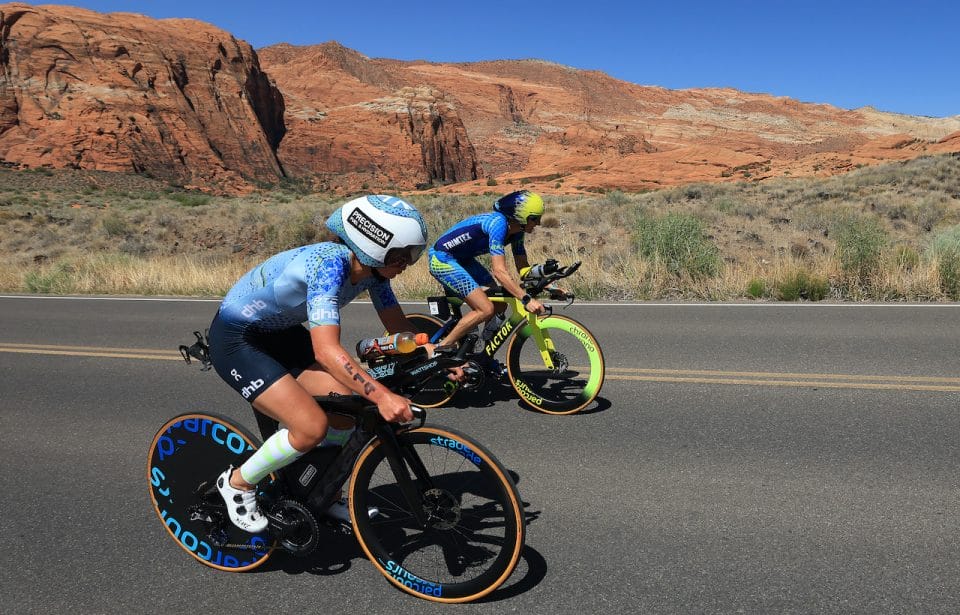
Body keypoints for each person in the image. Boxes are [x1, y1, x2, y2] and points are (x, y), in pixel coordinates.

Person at [208, 195, 429, 533]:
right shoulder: (329, 265)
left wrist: (439, 355)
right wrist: (383, 396)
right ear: (372, 248)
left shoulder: (375, 275)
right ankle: (238, 483)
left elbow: (399, 326)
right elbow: (326, 350)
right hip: (238, 339)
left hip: (281, 333)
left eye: (412, 255)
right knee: (310, 426)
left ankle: (321, 491)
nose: (407, 264)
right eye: (401, 256)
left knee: (346, 409)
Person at [428, 190, 548, 369]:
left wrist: (549, 282)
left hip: (464, 260)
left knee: (500, 304)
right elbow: (499, 272)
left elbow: (523, 267)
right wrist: (525, 299)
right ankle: (439, 350)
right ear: (521, 216)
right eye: (534, 218)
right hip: (442, 259)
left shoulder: (517, 232)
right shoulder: (498, 224)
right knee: (485, 308)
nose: (538, 223)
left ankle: (483, 356)